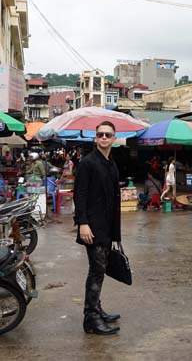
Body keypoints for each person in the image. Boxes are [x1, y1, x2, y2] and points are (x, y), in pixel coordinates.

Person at [74, 121, 122, 335]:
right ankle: (90, 319)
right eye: (100, 134)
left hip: (107, 226)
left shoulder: (111, 163)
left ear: (114, 138)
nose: (103, 138)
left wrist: (116, 233)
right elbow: (80, 195)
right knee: (96, 271)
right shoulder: (88, 163)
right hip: (92, 226)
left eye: (107, 135)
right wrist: (82, 223)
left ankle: (97, 309)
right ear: (95, 138)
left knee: (100, 270)